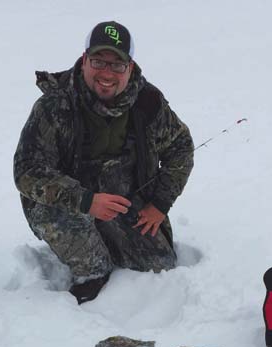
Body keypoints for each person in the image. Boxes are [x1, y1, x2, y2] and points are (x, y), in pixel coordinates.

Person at [14, 20, 194, 304]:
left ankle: (106, 237)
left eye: (117, 65)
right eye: (98, 61)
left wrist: (159, 204)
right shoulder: (54, 105)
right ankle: (91, 271)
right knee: (83, 252)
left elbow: (181, 147)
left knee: (160, 267)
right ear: (84, 60)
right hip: (69, 204)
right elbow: (27, 171)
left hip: (124, 199)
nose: (107, 73)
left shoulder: (148, 102)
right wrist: (86, 201)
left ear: (130, 67)